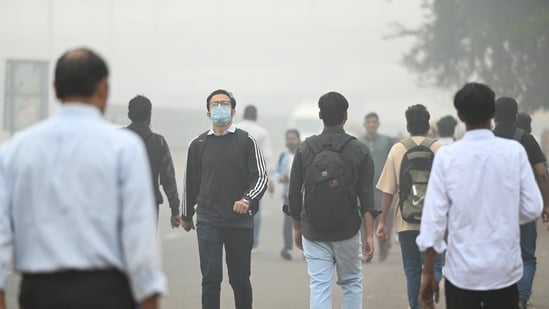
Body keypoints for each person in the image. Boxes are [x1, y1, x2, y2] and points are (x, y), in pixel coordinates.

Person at [0, 47, 165, 309]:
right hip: (107, 291)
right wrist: (149, 297)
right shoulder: (123, 147)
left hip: (39, 292)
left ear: (55, 88)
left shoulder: (16, 149)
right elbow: (139, 234)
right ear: (103, 88)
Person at [417, 83, 544, 309]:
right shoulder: (514, 152)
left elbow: (434, 218)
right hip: (504, 270)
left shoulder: (447, 157)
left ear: (460, 115)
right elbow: (533, 207)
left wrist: (428, 272)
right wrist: (505, 217)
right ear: (492, 114)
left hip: (462, 272)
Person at [181, 89, 268, 309]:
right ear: (208, 113)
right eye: (215, 104)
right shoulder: (198, 144)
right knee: (210, 278)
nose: (220, 107)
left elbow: (261, 176)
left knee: (239, 279)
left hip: (239, 222)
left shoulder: (247, 141)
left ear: (233, 110)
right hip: (208, 220)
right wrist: (186, 215)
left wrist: (247, 199)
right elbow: (190, 182)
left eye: (224, 103)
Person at [289, 92, 376, 309]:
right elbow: (366, 197)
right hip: (347, 230)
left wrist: (297, 228)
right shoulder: (359, 150)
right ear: (346, 115)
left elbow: (293, 194)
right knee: (351, 282)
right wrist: (369, 235)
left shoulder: (304, 149)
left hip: (313, 229)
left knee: (319, 284)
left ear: (320, 115)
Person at [376, 104, 443, 309]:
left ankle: (416, 305)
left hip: (406, 220)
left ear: (408, 126)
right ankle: (428, 299)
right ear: (427, 126)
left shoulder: (398, 149)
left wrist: (382, 222)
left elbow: (388, 190)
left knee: (412, 269)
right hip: (435, 220)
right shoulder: (439, 148)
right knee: (435, 265)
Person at [493, 97, 549, 309]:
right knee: (526, 257)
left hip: (494, 211)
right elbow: (542, 174)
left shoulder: (487, 139)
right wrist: (546, 204)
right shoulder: (526, 139)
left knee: (498, 255)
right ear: (516, 116)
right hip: (523, 209)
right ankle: (521, 297)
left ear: (494, 116)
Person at [126, 95, 181, 228]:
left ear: (129, 114)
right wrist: (175, 211)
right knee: (145, 247)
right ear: (149, 115)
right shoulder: (159, 142)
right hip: (148, 205)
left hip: (122, 203)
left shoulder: (116, 139)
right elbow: (168, 179)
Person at [236, 105, 273, 249]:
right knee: (254, 206)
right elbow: (267, 156)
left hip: (235, 174)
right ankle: (254, 241)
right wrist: (268, 177)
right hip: (254, 175)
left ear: (243, 114)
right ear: (256, 116)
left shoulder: (235, 128)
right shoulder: (262, 133)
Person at [359, 112, 394, 262]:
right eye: (369, 122)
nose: (372, 125)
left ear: (378, 124)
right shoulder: (358, 142)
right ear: (365, 125)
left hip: (382, 187)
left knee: (382, 218)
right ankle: (366, 250)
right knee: (364, 219)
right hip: (364, 187)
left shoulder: (386, 141)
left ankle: (384, 245)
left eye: (374, 122)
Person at [272, 129, 301, 260]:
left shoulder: (303, 154)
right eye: (288, 138)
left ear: (298, 139)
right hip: (288, 194)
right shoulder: (283, 156)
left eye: (293, 138)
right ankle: (287, 248)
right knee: (288, 223)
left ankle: (307, 249)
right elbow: (276, 171)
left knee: (306, 223)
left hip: (303, 195)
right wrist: (280, 177)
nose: (290, 141)